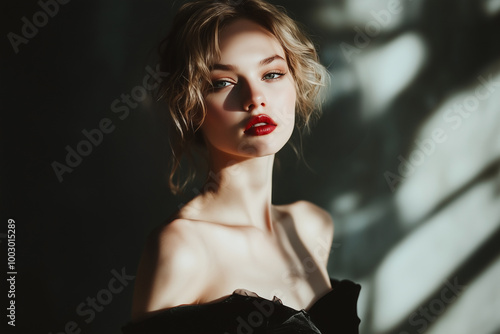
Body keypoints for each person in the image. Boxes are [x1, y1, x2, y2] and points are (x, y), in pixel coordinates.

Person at [123, 0, 361, 333]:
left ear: (296, 82)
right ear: (190, 106)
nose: (254, 97)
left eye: (272, 74)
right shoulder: (184, 247)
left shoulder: (311, 226)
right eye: (221, 82)